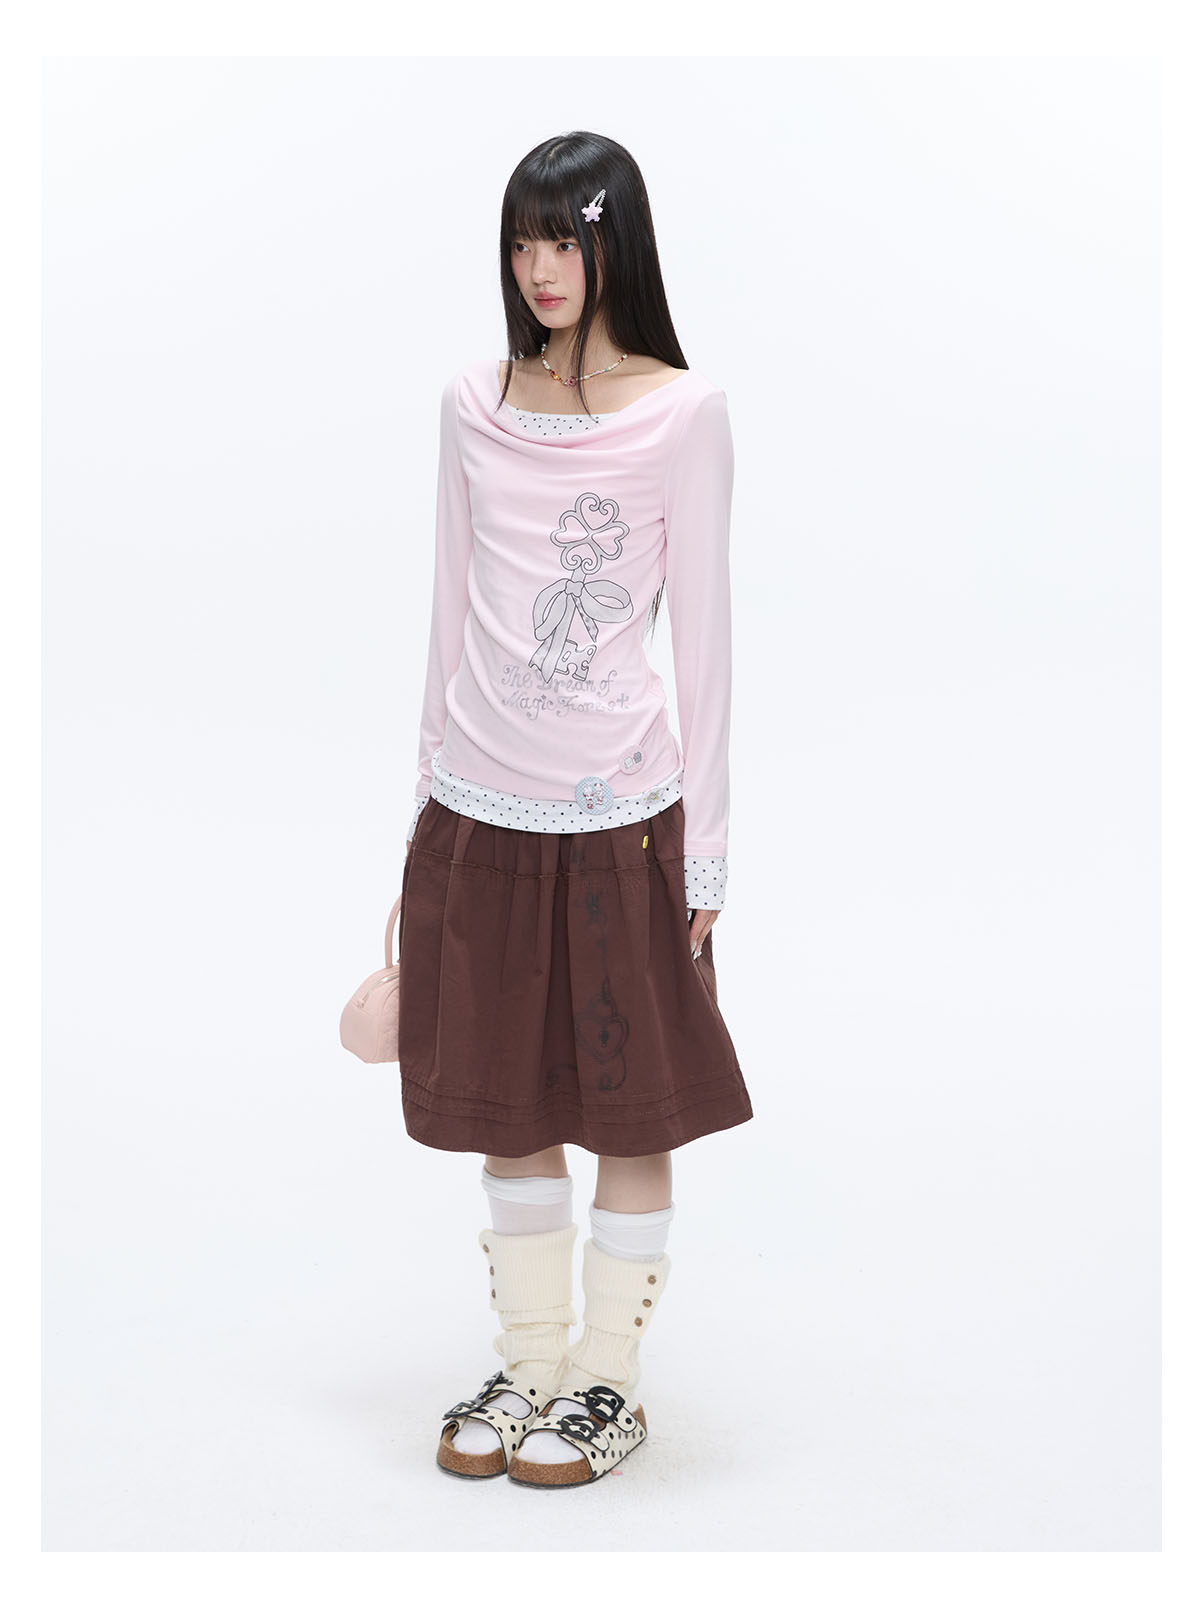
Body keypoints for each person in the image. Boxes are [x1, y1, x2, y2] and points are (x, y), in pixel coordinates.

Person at [392, 130, 753, 1489]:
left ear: (617, 244)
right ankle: (531, 1361)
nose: (540, 269)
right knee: (507, 1099)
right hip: (480, 806)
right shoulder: (471, 402)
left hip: (623, 820)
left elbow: (705, 644)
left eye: (567, 238)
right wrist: (422, 808)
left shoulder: (684, 413)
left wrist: (707, 850)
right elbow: (447, 609)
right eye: (522, 241)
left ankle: (607, 1382)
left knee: (633, 1109)